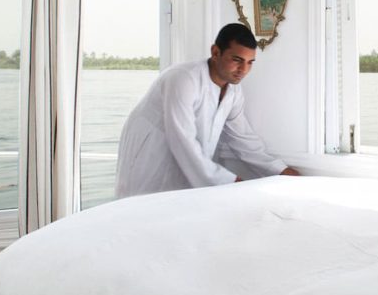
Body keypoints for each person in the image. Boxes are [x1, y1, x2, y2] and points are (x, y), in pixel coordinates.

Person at [114, 23, 300, 198]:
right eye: (237, 60)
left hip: (186, 163)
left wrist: (280, 170)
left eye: (250, 62)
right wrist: (232, 182)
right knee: (141, 209)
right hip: (150, 155)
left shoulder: (233, 92)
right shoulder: (183, 79)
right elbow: (183, 141)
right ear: (216, 52)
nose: (243, 69)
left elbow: (242, 139)